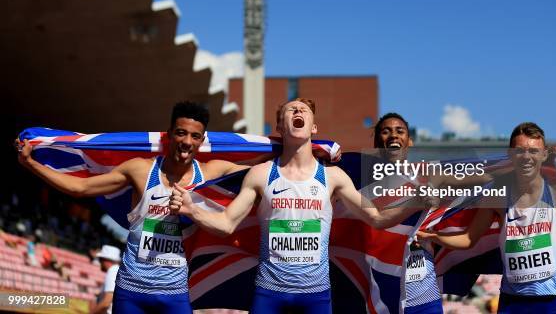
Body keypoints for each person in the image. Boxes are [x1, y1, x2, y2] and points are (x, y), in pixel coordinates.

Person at [170, 98, 422, 314]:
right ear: (280, 126)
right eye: (291, 110)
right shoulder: (260, 174)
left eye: (303, 110)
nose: (298, 112)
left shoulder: (333, 176)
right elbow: (226, 224)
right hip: (269, 294)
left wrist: (421, 197)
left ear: (313, 127)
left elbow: (377, 217)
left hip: (316, 296)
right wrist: (193, 210)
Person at [17, 101, 251, 314]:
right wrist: (30, 163)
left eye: (195, 136)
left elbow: (260, 176)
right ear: (170, 135)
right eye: (181, 133)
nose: (187, 142)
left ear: (202, 140)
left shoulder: (211, 173)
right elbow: (80, 187)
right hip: (132, 292)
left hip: (175, 294)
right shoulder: (141, 171)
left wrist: (283, 145)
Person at [418, 122, 556, 314]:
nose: (526, 157)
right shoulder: (497, 194)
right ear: (510, 154)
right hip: (513, 303)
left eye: (533, 151)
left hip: (553, 301)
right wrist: (432, 236)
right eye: (520, 151)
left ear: (544, 154)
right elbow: (469, 238)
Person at [373, 113, 444, 314]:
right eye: (385, 131)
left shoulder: (429, 176)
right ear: (377, 142)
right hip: (383, 297)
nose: (393, 135)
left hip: (424, 297)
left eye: (400, 131)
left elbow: (477, 177)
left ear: (409, 141)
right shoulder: (362, 185)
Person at [91, 245, 121, 314]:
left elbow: (106, 302)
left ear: (105, 260)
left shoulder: (113, 271)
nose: (99, 262)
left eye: (100, 259)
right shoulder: (117, 270)